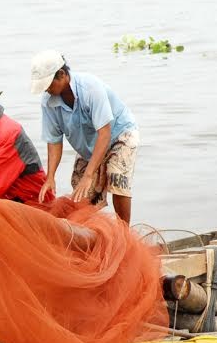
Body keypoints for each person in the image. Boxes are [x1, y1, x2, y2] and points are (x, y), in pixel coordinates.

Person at [30, 50, 139, 223]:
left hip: (119, 134)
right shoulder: (48, 102)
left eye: (49, 84)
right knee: (80, 197)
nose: (47, 90)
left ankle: (124, 234)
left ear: (62, 74)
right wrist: (50, 176)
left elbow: (104, 133)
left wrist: (89, 175)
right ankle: (93, 237)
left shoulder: (90, 88)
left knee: (117, 181)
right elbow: (54, 141)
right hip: (89, 146)